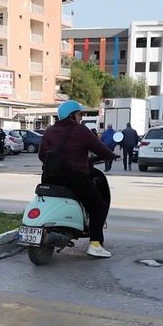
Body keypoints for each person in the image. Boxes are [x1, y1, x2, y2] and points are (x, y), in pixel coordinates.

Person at [39, 100, 118, 258]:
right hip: (74, 177)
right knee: (98, 206)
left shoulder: (49, 131)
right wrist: (112, 155)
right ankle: (95, 244)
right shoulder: (80, 130)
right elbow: (99, 148)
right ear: (72, 115)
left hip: (49, 177)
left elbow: (42, 155)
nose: (81, 117)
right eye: (80, 114)